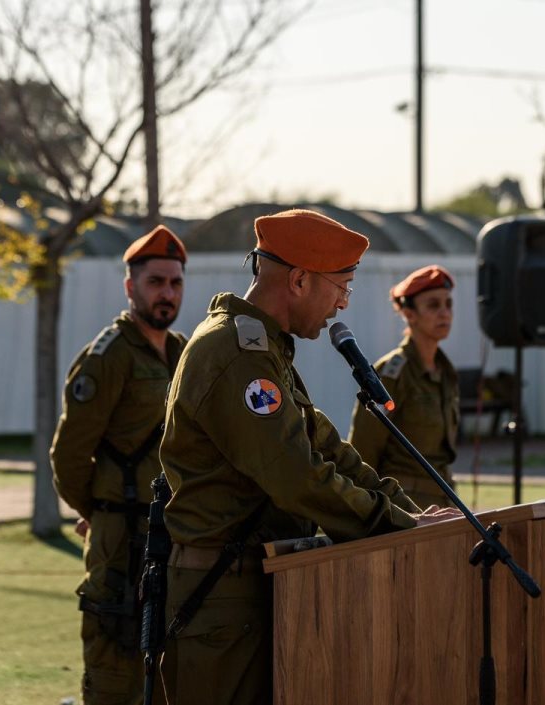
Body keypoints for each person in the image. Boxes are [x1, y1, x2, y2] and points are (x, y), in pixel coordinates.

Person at [159, 209, 444, 705]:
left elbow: (329, 450)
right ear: (297, 279)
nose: (341, 305)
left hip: (257, 584)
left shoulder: (266, 349)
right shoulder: (237, 353)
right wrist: (394, 525)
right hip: (224, 595)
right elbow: (297, 476)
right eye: (342, 287)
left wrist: (412, 516)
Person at [50, 224, 188, 705]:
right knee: (115, 676)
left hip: (171, 537)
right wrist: (101, 509)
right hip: (120, 541)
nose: (167, 293)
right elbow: (68, 454)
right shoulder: (109, 356)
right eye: (156, 282)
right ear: (130, 287)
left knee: (170, 676)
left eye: (175, 282)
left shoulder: (182, 353)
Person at [348, 265, 460, 509]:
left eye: (448, 304)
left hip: (445, 501)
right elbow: (364, 452)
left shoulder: (445, 373)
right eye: (433, 305)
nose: (444, 313)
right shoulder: (392, 373)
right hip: (404, 505)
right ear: (410, 314)